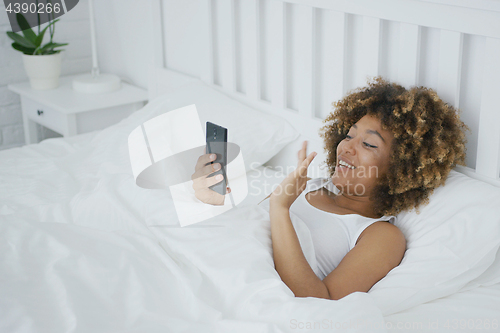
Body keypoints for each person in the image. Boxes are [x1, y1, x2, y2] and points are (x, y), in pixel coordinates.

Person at [191, 77, 468, 300]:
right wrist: (208, 196)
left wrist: (280, 207)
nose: (346, 147)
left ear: (401, 170)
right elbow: (247, 233)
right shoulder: (307, 186)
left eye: (368, 144)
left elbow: (318, 302)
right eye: (349, 135)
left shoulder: (381, 235)